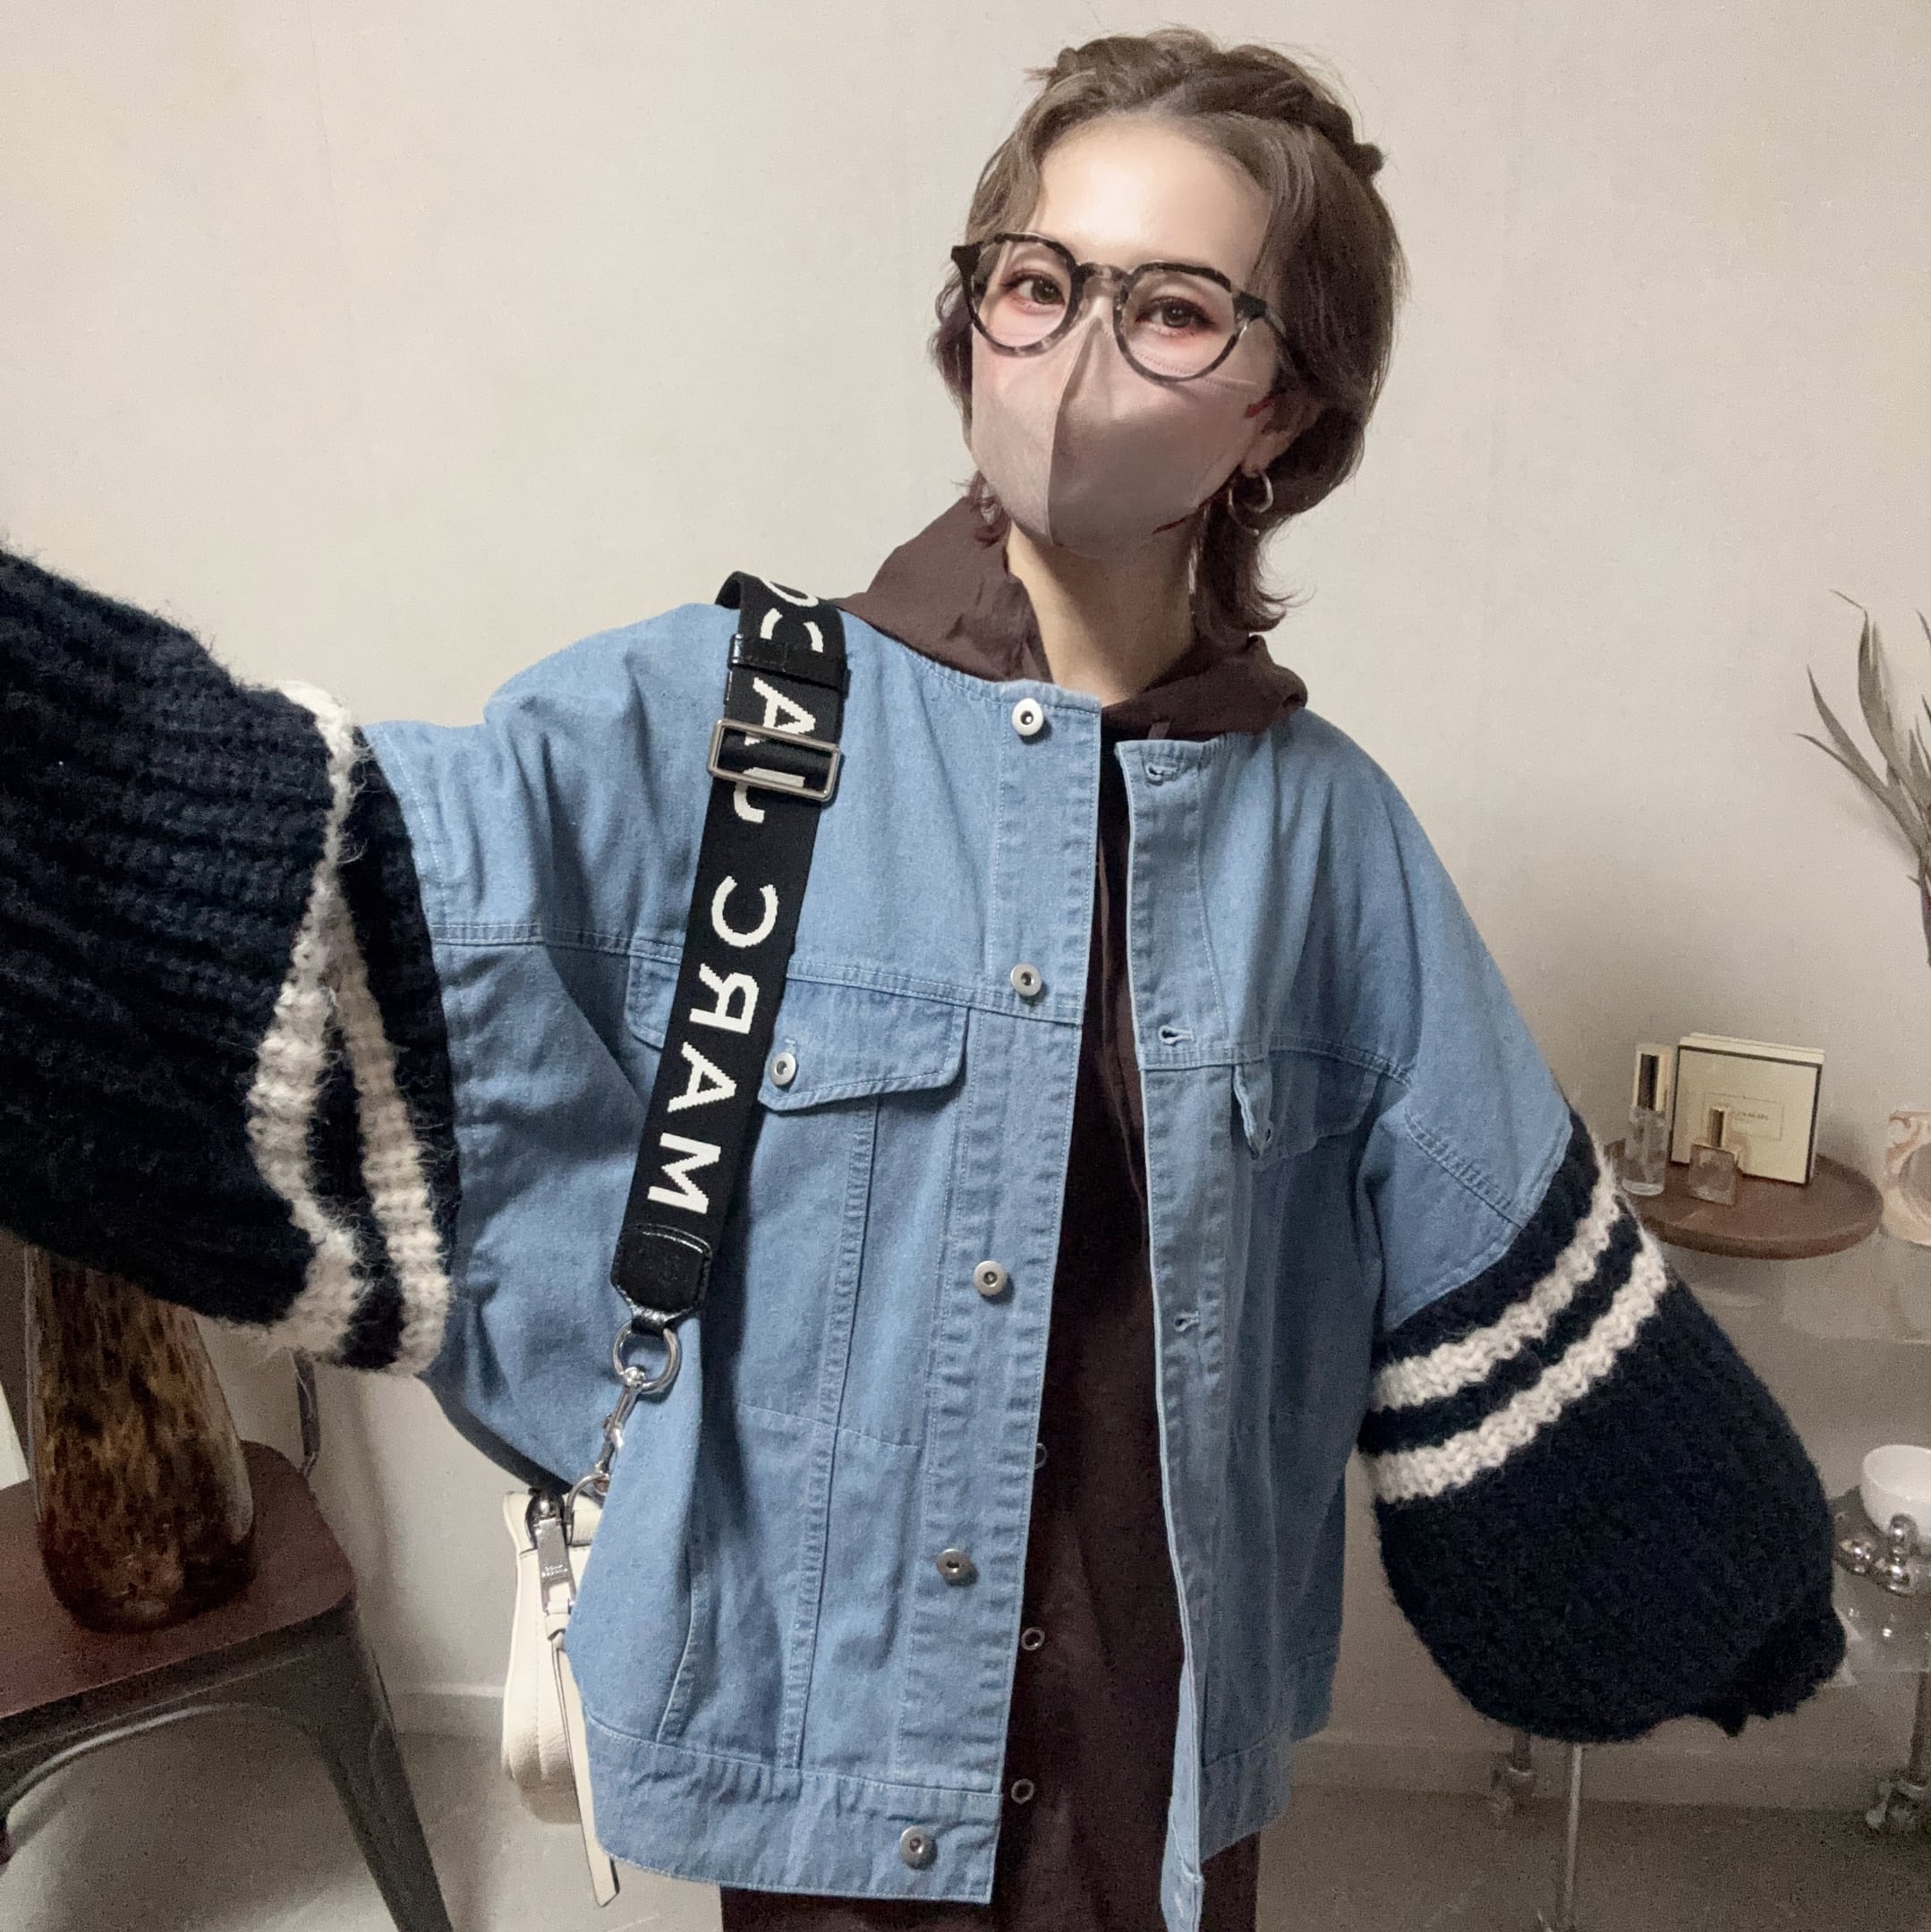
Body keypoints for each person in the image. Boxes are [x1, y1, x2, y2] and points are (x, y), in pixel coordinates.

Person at [0, 27, 1843, 1932]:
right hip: (835, 1754)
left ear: (1281, 414)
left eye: (1172, 311)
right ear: (970, 320)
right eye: (1037, 282)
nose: (1073, 355)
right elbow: (357, 921)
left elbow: (1491, 1234)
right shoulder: (722, 733)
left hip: (1156, 1770)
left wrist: (1719, 1597)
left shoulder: (1326, 841)